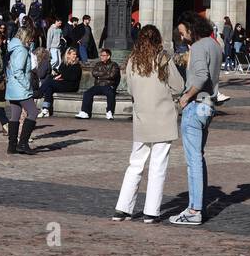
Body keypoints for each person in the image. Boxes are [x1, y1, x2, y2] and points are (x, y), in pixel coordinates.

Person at [113, 25, 185, 223]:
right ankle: (151, 211)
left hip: (142, 118)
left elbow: (129, 89)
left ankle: (123, 208)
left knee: (135, 164)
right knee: (157, 166)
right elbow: (179, 86)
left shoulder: (132, 61)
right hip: (162, 117)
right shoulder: (162, 59)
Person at [170, 15, 221, 226]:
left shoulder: (199, 46)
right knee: (198, 157)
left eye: (183, 32)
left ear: (193, 28)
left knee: (193, 161)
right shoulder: (214, 45)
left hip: (196, 105)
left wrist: (185, 96)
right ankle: (198, 205)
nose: (182, 37)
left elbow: (200, 76)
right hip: (208, 105)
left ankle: (194, 209)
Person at [4, 20, 41, 155]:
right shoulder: (22, 50)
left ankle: (12, 146)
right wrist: (27, 85)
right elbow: (18, 71)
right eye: (31, 37)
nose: (32, 40)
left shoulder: (13, 48)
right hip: (20, 87)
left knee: (15, 115)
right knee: (33, 112)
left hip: (12, 87)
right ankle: (23, 143)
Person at [38, 47, 82, 117]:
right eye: (73, 54)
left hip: (71, 86)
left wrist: (61, 76)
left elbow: (73, 78)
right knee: (49, 88)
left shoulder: (77, 66)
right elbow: (60, 74)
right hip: (63, 84)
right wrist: (57, 76)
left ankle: (38, 93)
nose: (75, 56)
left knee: (50, 82)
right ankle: (46, 109)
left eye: (75, 54)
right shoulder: (63, 64)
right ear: (68, 55)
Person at [77, 47, 120, 120]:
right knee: (87, 93)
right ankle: (85, 112)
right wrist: (106, 74)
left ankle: (109, 111)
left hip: (108, 85)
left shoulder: (114, 65)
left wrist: (100, 76)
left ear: (108, 56)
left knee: (110, 94)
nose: (102, 57)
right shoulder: (98, 64)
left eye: (103, 55)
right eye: (101, 55)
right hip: (98, 85)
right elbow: (94, 73)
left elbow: (112, 75)